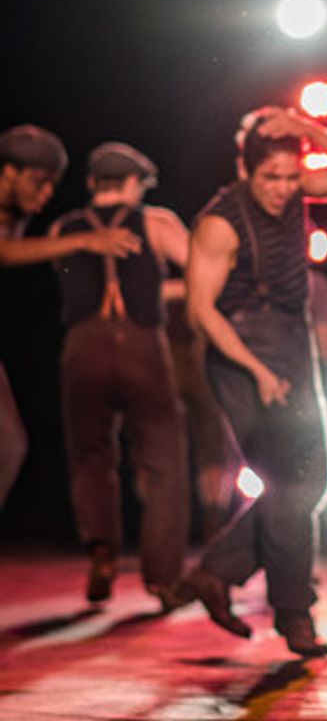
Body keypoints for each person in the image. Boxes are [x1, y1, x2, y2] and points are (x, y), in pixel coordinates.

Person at [175, 105, 327, 658]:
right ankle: (294, 614)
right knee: (293, 481)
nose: (284, 189)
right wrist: (258, 370)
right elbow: (200, 311)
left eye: (293, 176)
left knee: (311, 480)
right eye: (272, 177)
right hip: (240, 353)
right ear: (247, 170)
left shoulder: (295, 190)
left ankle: (218, 572)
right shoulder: (220, 220)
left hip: (293, 343)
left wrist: (310, 131)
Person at [50, 143, 190, 606]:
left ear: (93, 184)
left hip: (82, 347)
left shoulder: (62, 229)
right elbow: (206, 270)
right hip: (141, 346)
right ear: (134, 185)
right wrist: (165, 291)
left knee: (90, 457)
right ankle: (163, 577)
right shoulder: (156, 222)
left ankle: (103, 552)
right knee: (165, 463)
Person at [1, 126, 140, 519]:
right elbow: (5, 252)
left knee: (8, 445)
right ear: (8, 171)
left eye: (52, 186)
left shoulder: (16, 214)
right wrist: (82, 241)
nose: (45, 195)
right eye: (39, 182)